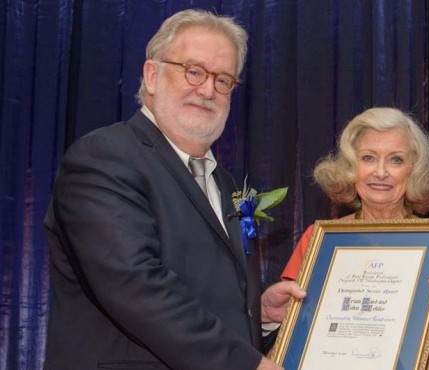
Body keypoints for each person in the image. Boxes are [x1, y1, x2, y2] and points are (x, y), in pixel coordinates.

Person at [43, 9, 304, 370]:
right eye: (194, 71)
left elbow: (199, 283)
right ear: (152, 75)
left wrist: (257, 314)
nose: (207, 90)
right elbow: (136, 286)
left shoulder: (222, 181)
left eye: (223, 80)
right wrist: (246, 364)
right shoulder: (104, 158)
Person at [281, 107, 429, 366]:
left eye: (396, 160)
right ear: (350, 166)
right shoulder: (318, 241)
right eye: (368, 158)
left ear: (414, 169)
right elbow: (289, 339)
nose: (380, 172)